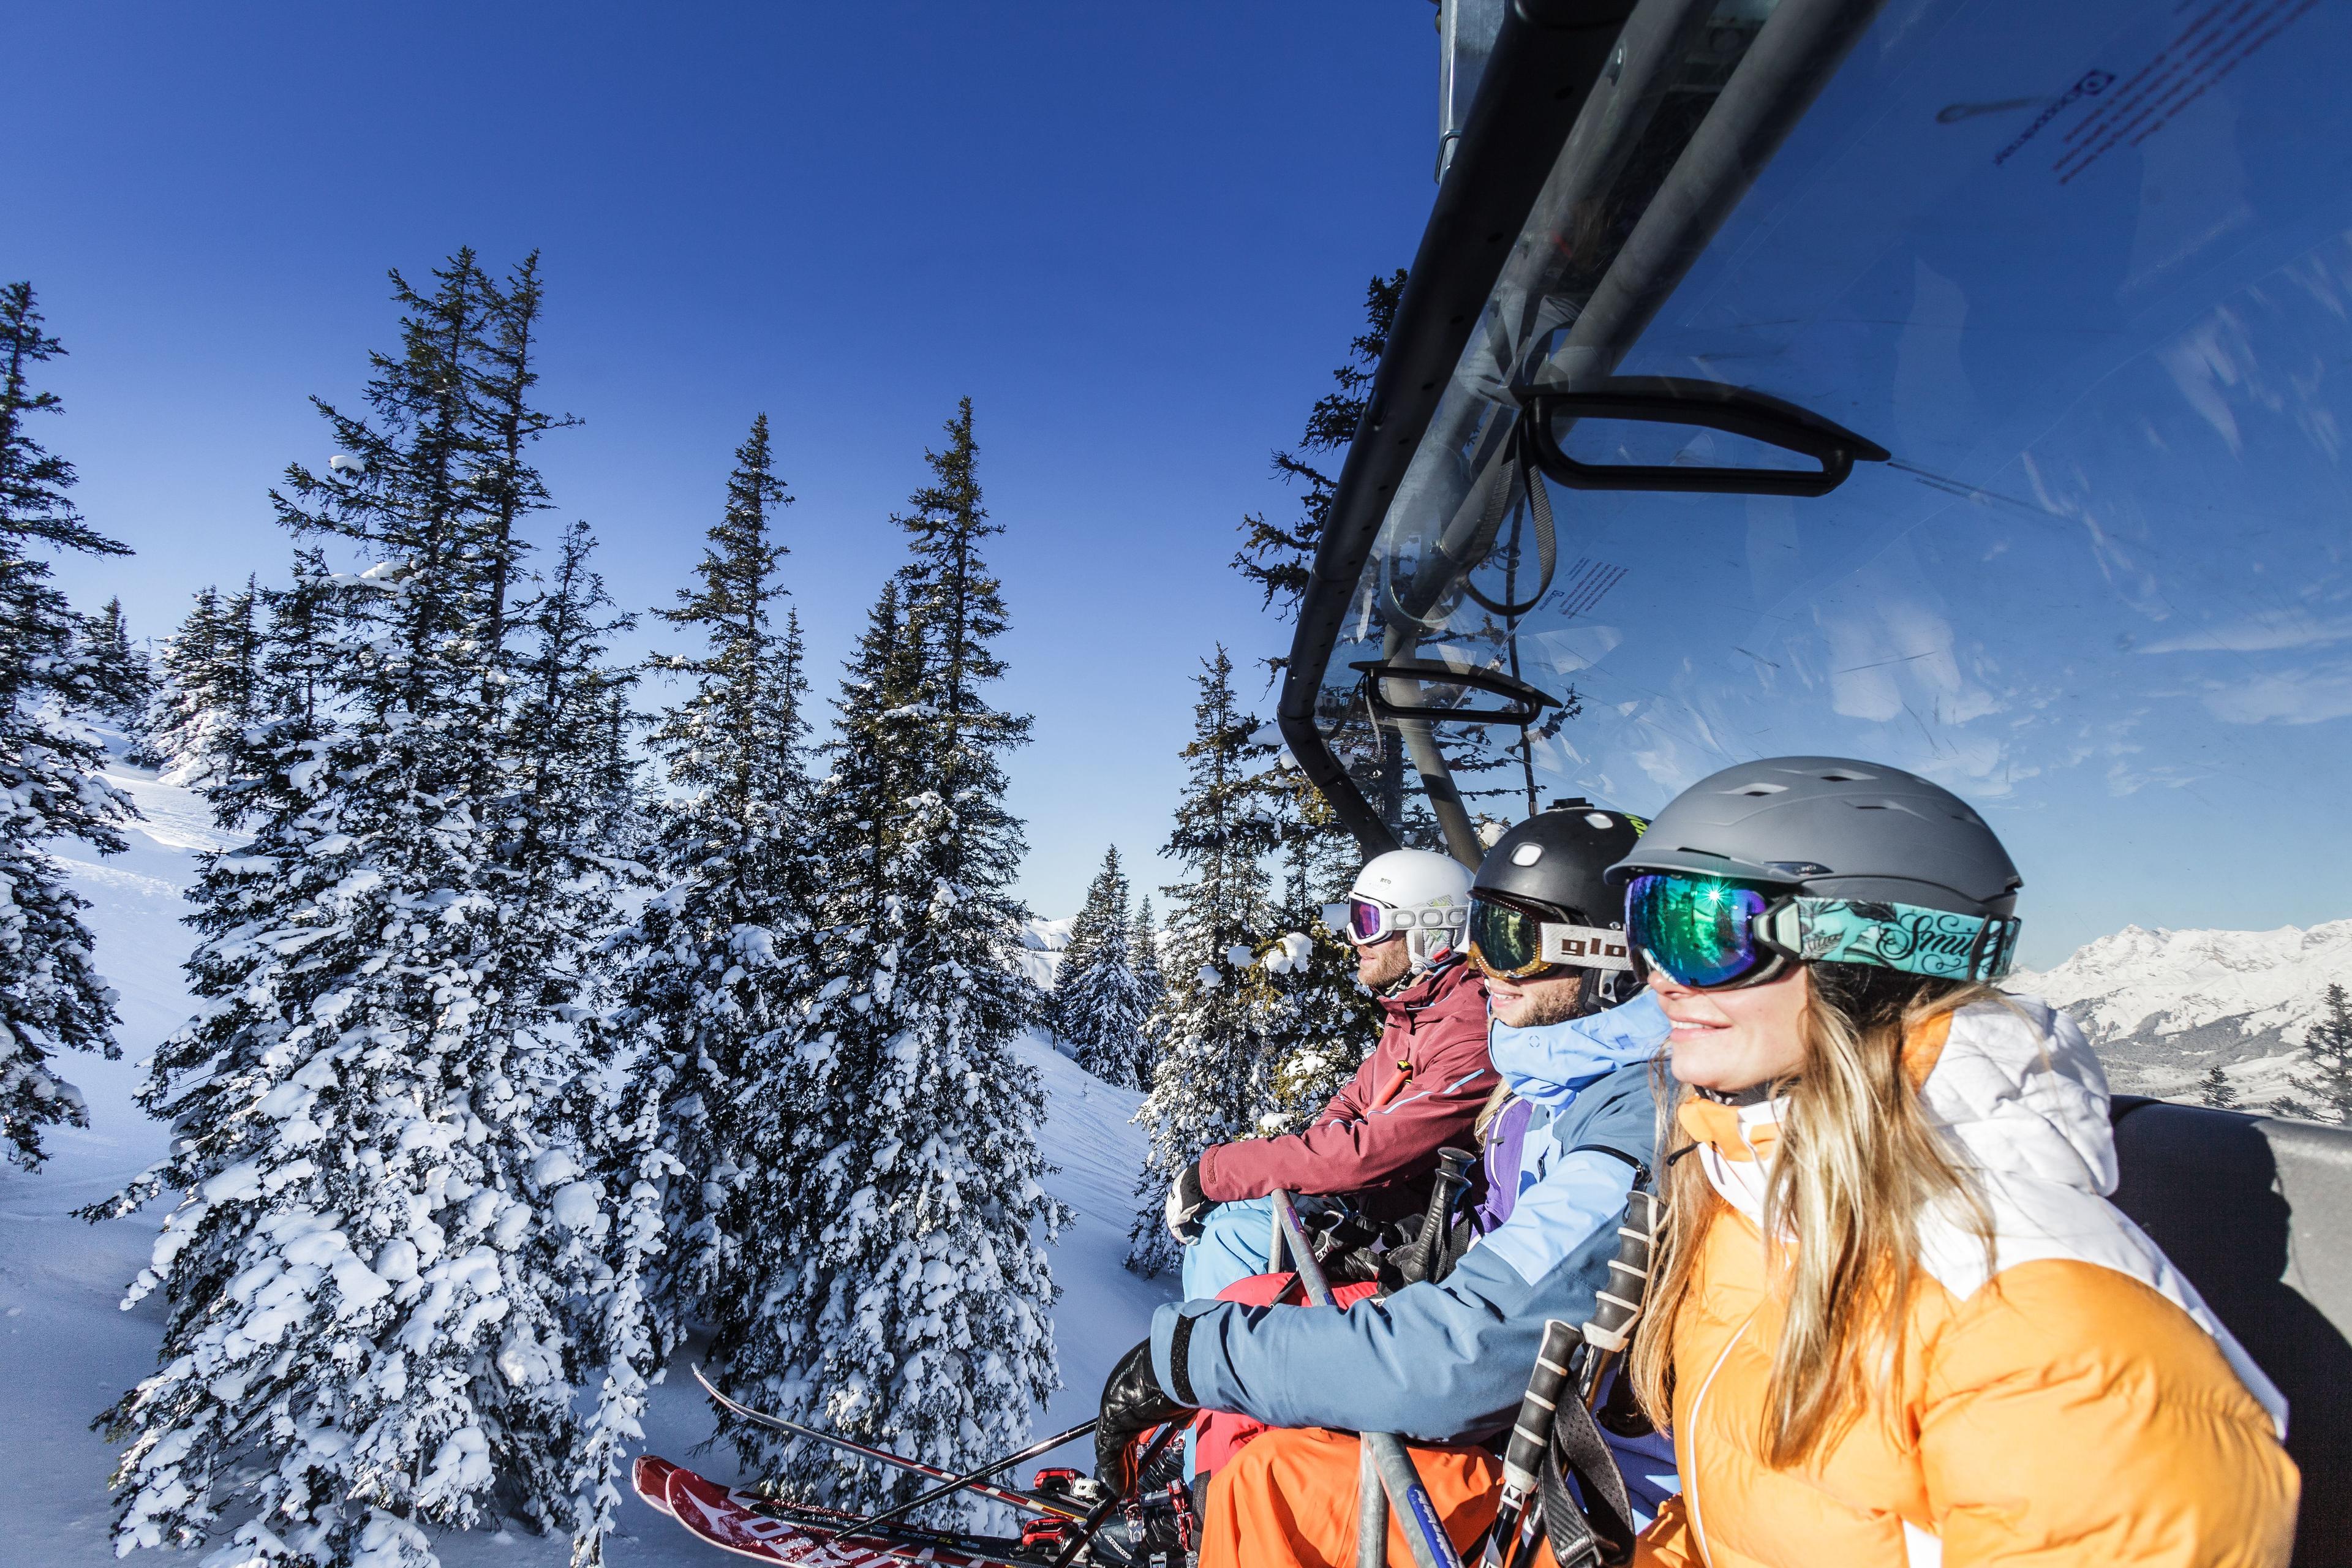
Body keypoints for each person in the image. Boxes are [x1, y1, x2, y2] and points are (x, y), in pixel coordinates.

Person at [1604, 756, 2298, 1568]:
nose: (1656, 975)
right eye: (1646, 923)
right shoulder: (1745, 1191)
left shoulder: (2045, 1332)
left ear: (1864, 946)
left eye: (1701, 929)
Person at [1100, 802, 1675, 1568]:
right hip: (1500, 1372)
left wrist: (1191, 1350)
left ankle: (1207, 1505)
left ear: (1603, 956)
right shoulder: (1538, 1065)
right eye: (1479, 932)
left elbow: (1461, 1345)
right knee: (1250, 1311)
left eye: (1504, 940)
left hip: (1567, 1465)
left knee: (1275, 1485)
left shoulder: (1620, 1118)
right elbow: (1373, 1130)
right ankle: (1195, 1496)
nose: (1482, 966)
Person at [1164, 847, 1495, 1308]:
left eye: (1369, 922)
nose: (1355, 939)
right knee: (1233, 1221)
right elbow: (1352, 1105)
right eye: (1354, 920)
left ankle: (1211, 1362)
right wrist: (1323, 1180)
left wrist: (1217, 1172)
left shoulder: (1469, 1032)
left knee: (1237, 1235)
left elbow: (1371, 1150)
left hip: (1421, 1242)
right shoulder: (1418, 1013)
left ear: (1431, 931)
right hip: (1379, 1208)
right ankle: (1200, 1352)